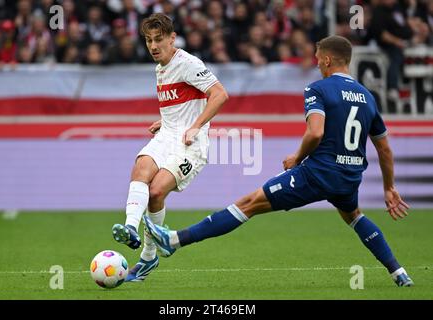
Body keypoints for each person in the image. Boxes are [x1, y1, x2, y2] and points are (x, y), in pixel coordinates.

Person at [144, 35, 414, 287]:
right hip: (349, 176)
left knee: (248, 204)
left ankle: (175, 240)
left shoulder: (318, 89)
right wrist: (389, 188)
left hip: (317, 174)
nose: (317, 63)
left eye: (319, 58)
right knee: (354, 216)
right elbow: (384, 149)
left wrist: (298, 157)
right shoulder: (367, 97)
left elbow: (316, 131)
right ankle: (398, 271)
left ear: (328, 60)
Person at [111, 13, 229, 282]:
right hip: (168, 134)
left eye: (158, 40)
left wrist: (196, 125)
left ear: (172, 38)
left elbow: (220, 94)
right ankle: (130, 227)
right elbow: (183, 103)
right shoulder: (160, 67)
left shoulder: (188, 63)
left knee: (156, 191)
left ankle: (148, 255)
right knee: (141, 166)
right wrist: (164, 120)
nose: (153, 46)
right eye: (149, 40)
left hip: (191, 144)